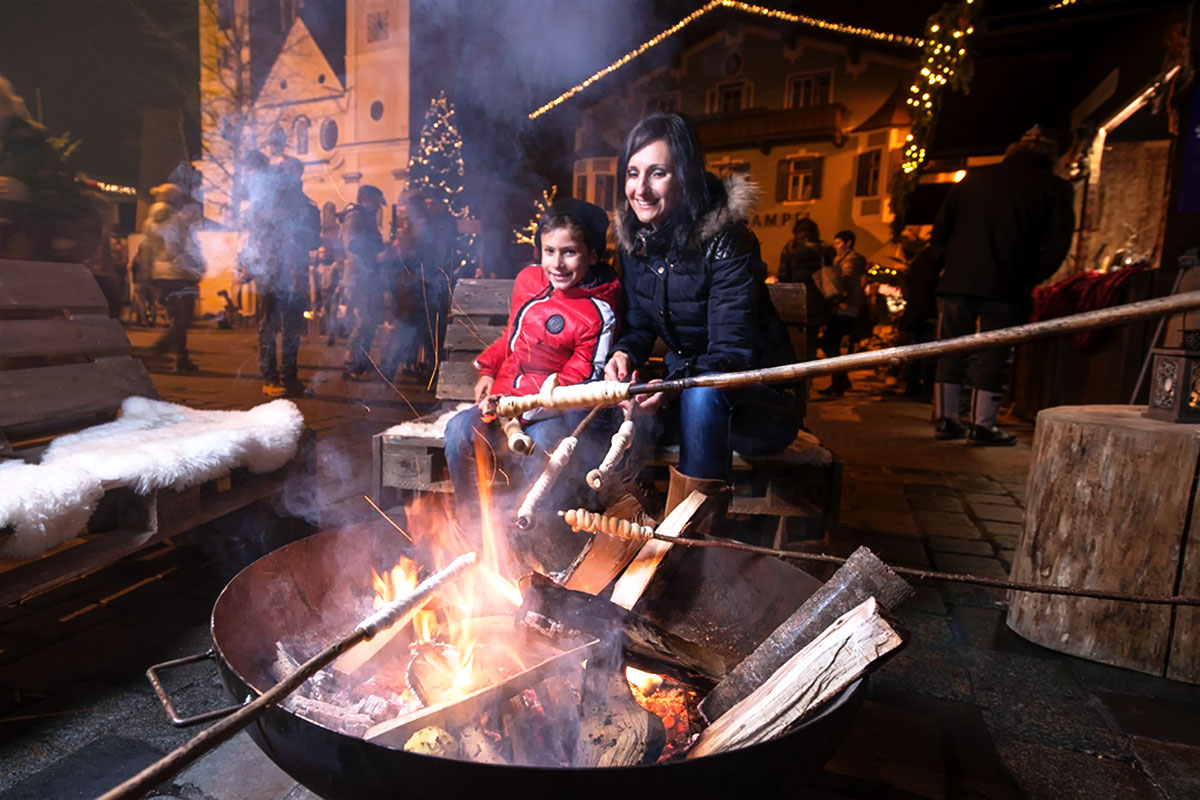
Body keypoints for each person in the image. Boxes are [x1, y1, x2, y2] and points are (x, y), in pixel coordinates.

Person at [603, 113, 798, 507]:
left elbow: (732, 354)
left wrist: (670, 388)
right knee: (612, 402)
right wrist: (624, 353)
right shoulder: (637, 247)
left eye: (657, 173)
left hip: (757, 401)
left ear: (686, 176)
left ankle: (696, 539)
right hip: (687, 390)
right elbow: (641, 326)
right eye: (632, 173)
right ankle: (628, 524)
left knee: (703, 395)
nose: (640, 189)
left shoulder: (728, 243)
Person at [442, 198, 620, 558]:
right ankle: (477, 534)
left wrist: (522, 409)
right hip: (506, 403)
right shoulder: (528, 280)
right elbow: (513, 338)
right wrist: (489, 369)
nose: (556, 263)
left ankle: (533, 541)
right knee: (459, 431)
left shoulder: (599, 308)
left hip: (551, 410)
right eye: (549, 251)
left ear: (593, 255)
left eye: (569, 252)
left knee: (539, 447)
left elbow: (580, 379)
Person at [930, 126, 1074, 445]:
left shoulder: (973, 179)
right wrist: (1031, 275)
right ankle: (983, 424)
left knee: (950, 349)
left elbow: (940, 232)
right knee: (994, 353)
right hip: (1007, 282)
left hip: (958, 280)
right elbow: (1057, 244)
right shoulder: (1054, 187)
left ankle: (946, 418)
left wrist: (948, 264)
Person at [245, 157, 320, 397]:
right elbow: (257, 234)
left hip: (291, 271)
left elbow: (312, 240)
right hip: (273, 271)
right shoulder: (266, 204)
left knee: (290, 327)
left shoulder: (304, 206)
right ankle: (272, 377)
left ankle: (288, 376)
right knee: (271, 324)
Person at [381, 189, 456, 382]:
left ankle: (387, 374)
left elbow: (415, 257)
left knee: (410, 333)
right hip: (420, 288)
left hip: (419, 288)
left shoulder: (420, 227)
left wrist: (394, 258)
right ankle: (432, 376)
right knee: (424, 335)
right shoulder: (421, 226)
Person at [142, 182, 205, 372]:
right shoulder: (177, 220)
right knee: (185, 319)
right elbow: (177, 248)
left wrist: (147, 274)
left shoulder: (148, 222)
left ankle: (182, 359)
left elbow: (147, 250)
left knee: (178, 318)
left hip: (160, 274)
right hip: (180, 274)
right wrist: (196, 266)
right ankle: (158, 348)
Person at [341, 185, 388, 379]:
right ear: (366, 199)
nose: (378, 207)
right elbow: (352, 243)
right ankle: (351, 361)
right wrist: (377, 249)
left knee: (372, 320)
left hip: (368, 277)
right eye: (376, 201)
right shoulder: (355, 217)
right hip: (358, 278)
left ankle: (362, 359)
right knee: (364, 320)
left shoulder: (366, 218)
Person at [816, 229, 867, 396]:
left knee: (829, 343)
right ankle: (841, 380)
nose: (836, 247)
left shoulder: (852, 260)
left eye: (839, 243)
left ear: (848, 243)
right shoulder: (844, 260)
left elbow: (845, 281)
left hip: (845, 309)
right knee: (831, 344)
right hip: (842, 308)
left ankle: (840, 381)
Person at [777, 216, 827, 361]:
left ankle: (797, 375)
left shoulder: (789, 249)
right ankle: (809, 376)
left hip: (796, 298)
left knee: (794, 339)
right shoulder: (823, 249)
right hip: (817, 300)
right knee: (812, 339)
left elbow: (783, 277)